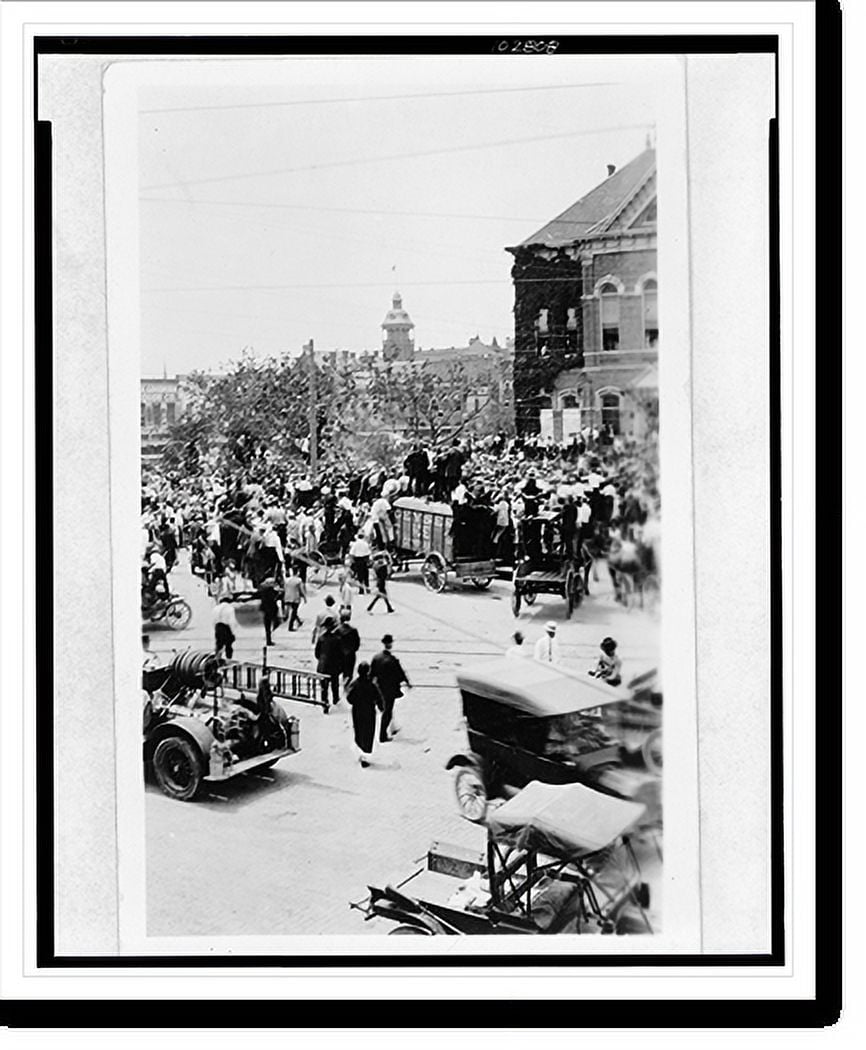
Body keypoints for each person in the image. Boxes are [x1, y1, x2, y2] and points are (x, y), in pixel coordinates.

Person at [370, 633, 411, 743]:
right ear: (391, 644)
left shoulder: (376, 658)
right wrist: (407, 683)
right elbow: (400, 674)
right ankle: (382, 735)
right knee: (387, 712)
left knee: (385, 710)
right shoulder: (392, 660)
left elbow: (371, 674)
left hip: (379, 689)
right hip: (390, 690)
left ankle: (391, 728)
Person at [346, 662, 384, 767]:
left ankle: (361, 752)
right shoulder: (371, 685)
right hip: (369, 711)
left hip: (357, 711)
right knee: (368, 733)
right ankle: (365, 755)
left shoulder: (355, 684)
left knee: (359, 732)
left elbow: (349, 699)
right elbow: (378, 697)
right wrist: (381, 707)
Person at [314, 615, 343, 707]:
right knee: (335, 685)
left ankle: (324, 702)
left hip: (323, 666)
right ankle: (335, 699)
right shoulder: (337, 639)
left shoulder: (321, 638)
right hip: (334, 666)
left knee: (324, 687)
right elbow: (341, 654)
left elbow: (317, 653)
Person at [334, 609, 361, 696]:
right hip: (350, 655)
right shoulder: (353, 630)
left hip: (339, 656)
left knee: (337, 673)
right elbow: (357, 644)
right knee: (348, 674)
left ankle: (338, 692)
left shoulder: (337, 630)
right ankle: (346, 689)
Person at [257, 577, 281, 647]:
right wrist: (278, 593)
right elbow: (274, 598)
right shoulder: (270, 590)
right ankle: (269, 638)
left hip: (265, 609)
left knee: (267, 625)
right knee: (275, 622)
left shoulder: (263, 590)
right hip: (271, 609)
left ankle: (268, 639)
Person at [283, 565, 306, 632]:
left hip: (287, 597)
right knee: (294, 611)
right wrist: (304, 597)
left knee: (293, 610)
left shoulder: (287, 580)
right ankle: (290, 626)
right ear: (298, 572)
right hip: (295, 598)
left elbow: (284, 588)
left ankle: (299, 621)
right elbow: (301, 590)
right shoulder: (299, 580)